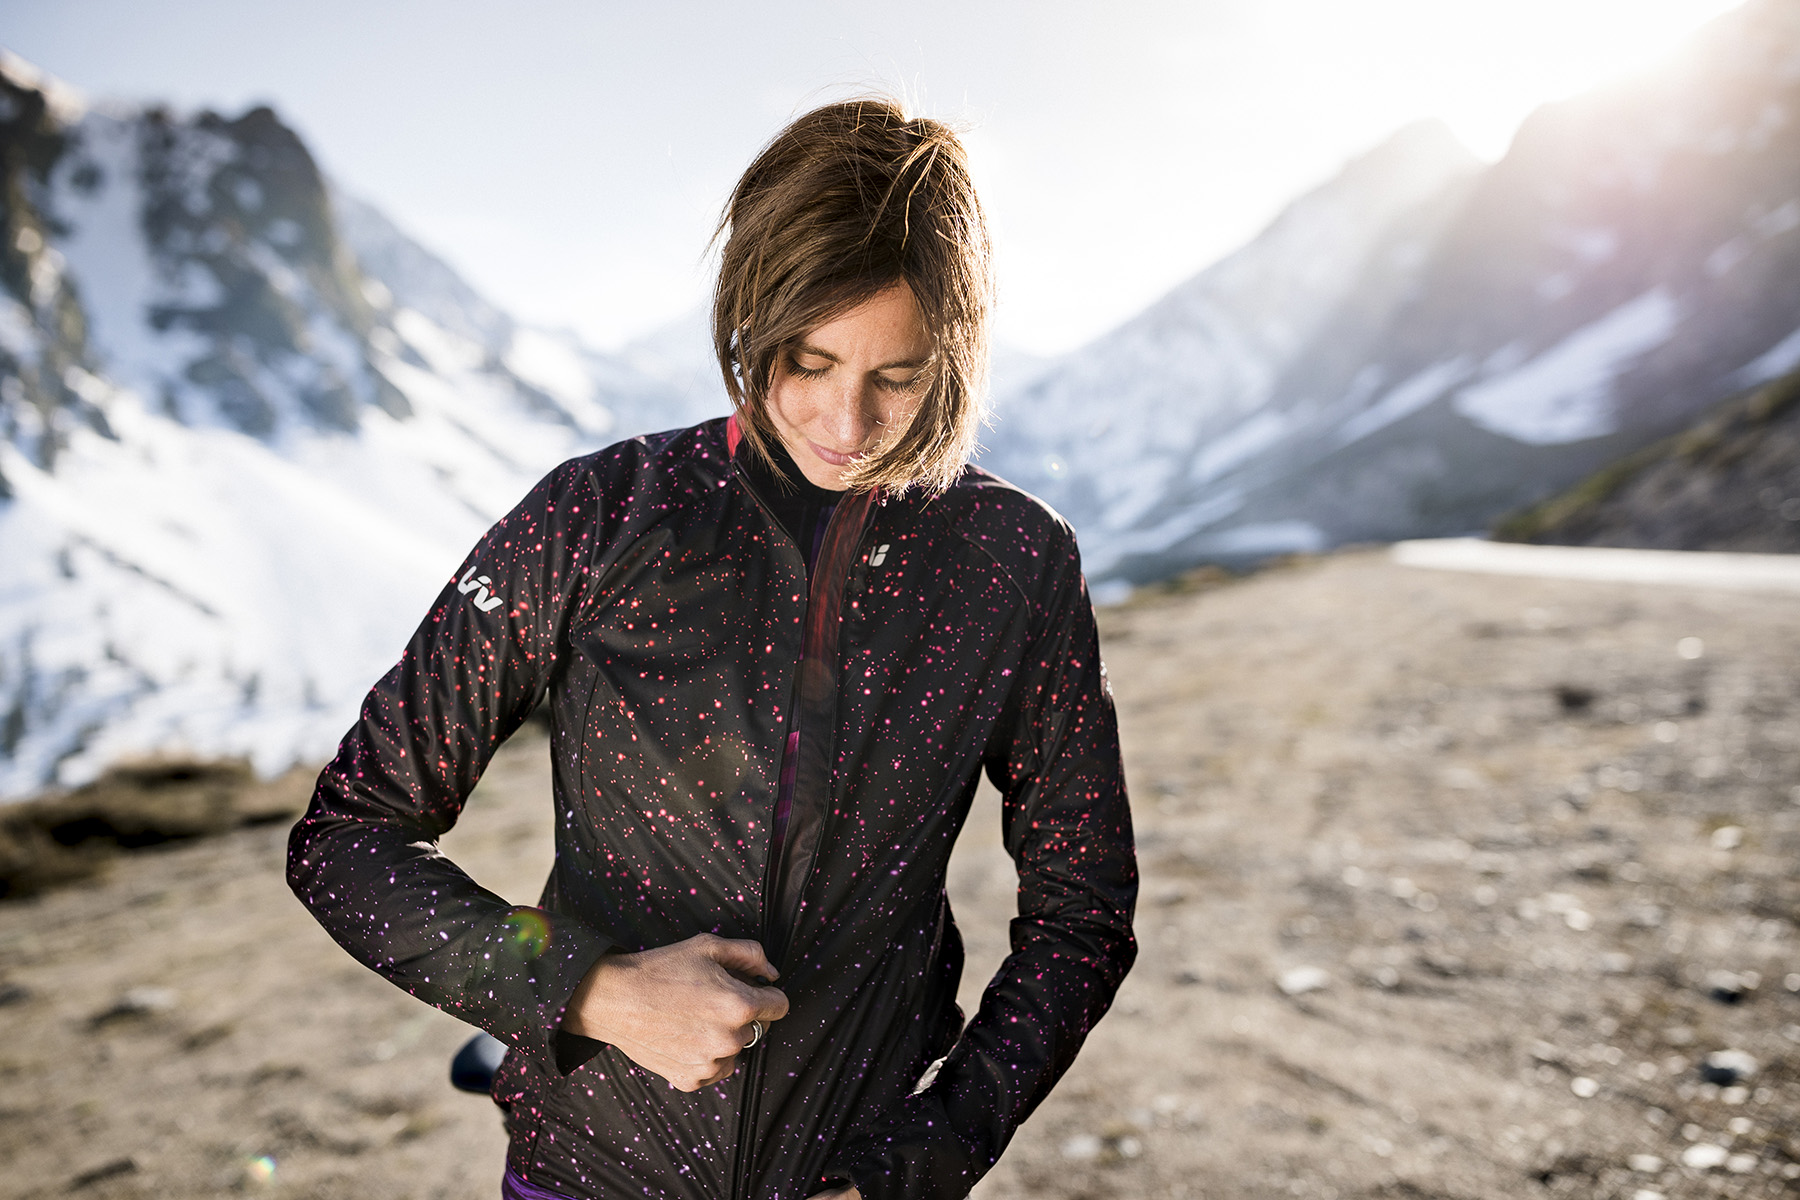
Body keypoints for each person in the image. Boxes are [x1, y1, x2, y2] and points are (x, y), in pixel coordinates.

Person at [287, 98, 1137, 1200]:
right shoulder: (597, 515)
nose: (845, 424)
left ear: (957, 357)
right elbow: (347, 837)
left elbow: (1083, 914)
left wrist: (923, 1160)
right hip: (584, 1172)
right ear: (747, 317)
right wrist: (591, 991)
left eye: (898, 377)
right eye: (807, 362)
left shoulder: (1015, 560)